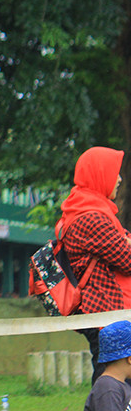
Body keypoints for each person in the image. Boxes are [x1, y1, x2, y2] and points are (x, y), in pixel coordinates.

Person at [59, 146, 131, 383]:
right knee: (113, 382)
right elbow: (127, 259)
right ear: (99, 174)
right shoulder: (91, 217)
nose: (119, 179)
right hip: (105, 312)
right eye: (114, 172)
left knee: (112, 382)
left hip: (105, 312)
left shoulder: (85, 209)